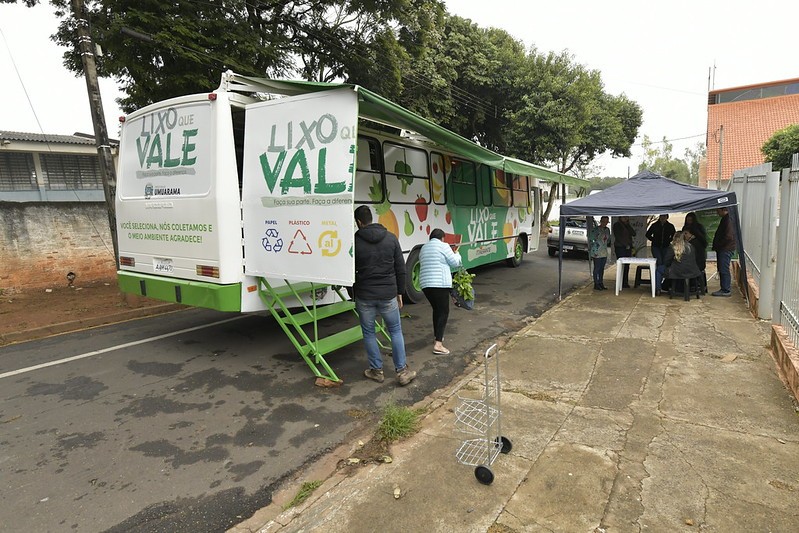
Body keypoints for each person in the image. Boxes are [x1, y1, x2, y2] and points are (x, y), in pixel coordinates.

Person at [353, 205, 416, 386]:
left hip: (365, 295)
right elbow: (400, 268)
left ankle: (376, 371)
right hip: (388, 294)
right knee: (395, 330)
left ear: (359, 222)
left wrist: (354, 293)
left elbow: (349, 271)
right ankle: (402, 372)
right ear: (371, 218)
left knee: (369, 333)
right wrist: (400, 292)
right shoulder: (391, 238)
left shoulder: (354, 242)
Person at [419, 229, 462, 355]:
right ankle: (438, 344)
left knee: (437, 310)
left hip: (425, 284)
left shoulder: (424, 248)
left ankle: (437, 336)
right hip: (439, 284)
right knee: (444, 311)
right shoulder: (444, 246)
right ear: (442, 238)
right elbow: (455, 263)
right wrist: (457, 254)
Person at [711, 207, 736, 297]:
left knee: (724, 269)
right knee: (722, 268)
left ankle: (726, 290)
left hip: (725, 248)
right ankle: (724, 288)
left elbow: (728, 236)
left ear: (723, 210)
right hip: (724, 248)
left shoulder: (728, 220)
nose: (717, 212)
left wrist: (719, 244)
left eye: (718, 211)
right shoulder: (726, 219)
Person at [682, 211, 708, 293]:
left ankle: (699, 286)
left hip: (698, 256)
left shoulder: (698, 229)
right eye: (687, 220)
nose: (689, 222)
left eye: (690, 220)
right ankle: (692, 286)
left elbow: (704, 241)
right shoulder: (685, 228)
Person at [612, 216, 636, 288]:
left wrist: (627, 224)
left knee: (627, 265)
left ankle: (625, 282)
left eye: (626, 217)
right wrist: (625, 245)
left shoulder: (627, 225)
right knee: (621, 264)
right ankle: (620, 281)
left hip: (628, 248)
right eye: (624, 217)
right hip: (620, 247)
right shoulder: (617, 225)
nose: (625, 218)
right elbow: (618, 236)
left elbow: (633, 233)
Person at [588, 216, 611, 290]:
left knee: (602, 268)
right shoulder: (595, 229)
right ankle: (596, 283)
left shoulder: (607, 230)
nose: (605, 223)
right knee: (597, 268)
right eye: (604, 221)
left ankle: (601, 282)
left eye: (606, 222)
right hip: (597, 251)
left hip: (604, 251)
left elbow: (608, 239)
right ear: (601, 221)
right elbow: (591, 238)